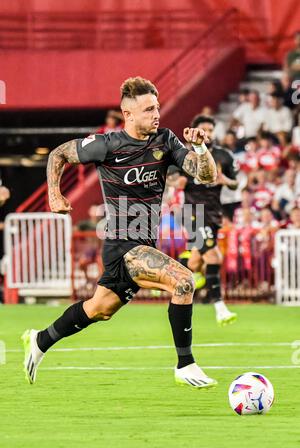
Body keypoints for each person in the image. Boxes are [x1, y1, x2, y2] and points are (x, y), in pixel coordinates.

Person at [21, 77, 218, 389]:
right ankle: (185, 363)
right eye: (148, 109)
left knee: (99, 310)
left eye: (157, 107)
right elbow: (58, 154)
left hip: (143, 243)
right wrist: (54, 194)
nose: (157, 114)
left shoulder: (166, 141)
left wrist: (200, 147)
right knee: (183, 281)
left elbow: (206, 175)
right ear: (128, 114)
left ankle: (40, 340)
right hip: (123, 244)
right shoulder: (107, 145)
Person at [176, 115, 238, 326]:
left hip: (213, 214)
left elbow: (235, 184)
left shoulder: (223, 155)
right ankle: (220, 308)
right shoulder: (184, 156)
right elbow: (171, 178)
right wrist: (178, 180)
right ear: (193, 130)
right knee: (213, 257)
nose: (208, 133)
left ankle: (169, 275)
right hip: (193, 212)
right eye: (204, 129)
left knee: (195, 262)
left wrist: (225, 180)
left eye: (211, 130)